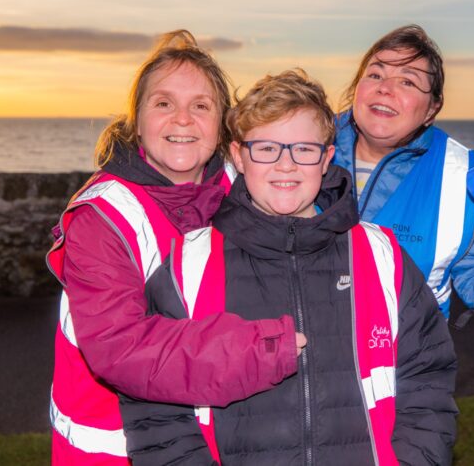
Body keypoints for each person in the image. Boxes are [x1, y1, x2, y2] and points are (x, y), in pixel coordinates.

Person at [120, 69, 457, 465]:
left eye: (303, 149)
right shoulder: (188, 267)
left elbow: (428, 386)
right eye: (266, 148)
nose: (286, 165)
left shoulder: (382, 255)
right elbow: (156, 410)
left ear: (327, 158)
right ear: (238, 156)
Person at [48, 31, 304, 465]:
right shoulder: (103, 217)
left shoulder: (238, 186)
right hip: (115, 449)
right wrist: (262, 349)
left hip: (214, 438)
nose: (182, 119)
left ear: (223, 123)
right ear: (138, 119)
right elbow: (121, 348)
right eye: (164, 103)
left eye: (200, 106)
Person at [333, 25, 474, 325]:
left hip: (407, 367)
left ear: (432, 109)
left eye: (407, 81)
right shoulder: (300, 148)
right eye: (375, 75)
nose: (385, 88)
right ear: (357, 87)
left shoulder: (462, 176)